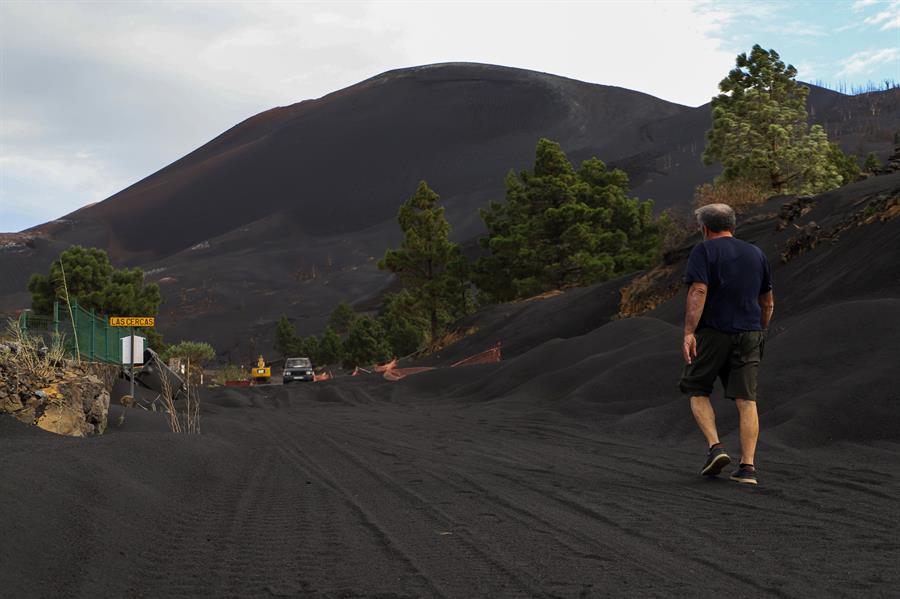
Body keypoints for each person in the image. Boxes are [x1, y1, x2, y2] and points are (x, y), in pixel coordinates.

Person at [679, 203, 774, 485]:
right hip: (751, 332)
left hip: (713, 332)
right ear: (733, 225)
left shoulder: (704, 250)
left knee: (696, 388)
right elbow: (767, 301)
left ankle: (716, 448)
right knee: (747, 400)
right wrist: (759, 331)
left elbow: (698, 290)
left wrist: (688, 331)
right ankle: (748, 469)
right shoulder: (757, 253)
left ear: (705, 228)